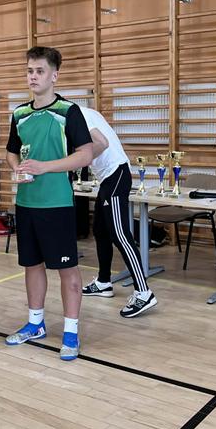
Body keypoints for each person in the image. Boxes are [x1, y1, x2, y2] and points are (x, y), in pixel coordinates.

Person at [5, 46, 93, 361]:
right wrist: (17, 168)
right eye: (29, 71)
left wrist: (45, 167)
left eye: (40, 71)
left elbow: (85, 155)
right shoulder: (19, 114)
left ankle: (71, 331)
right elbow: (11, 151)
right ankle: (36, 324)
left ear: (54, 75)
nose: (33, 76)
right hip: (26, 203)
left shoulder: (69, 112)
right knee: (32, 265)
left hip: (57, 204)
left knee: (67, 269)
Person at [78, 105, 158, 318]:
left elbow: (102, 143)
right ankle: (103, 282)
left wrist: (79, 159)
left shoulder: (77, 114)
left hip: (116, 174)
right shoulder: (85, 112)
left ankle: (144, 292)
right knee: (101, 230)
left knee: (120, 235)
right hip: (107, 178)